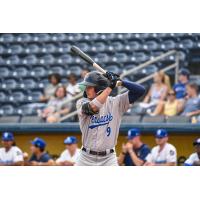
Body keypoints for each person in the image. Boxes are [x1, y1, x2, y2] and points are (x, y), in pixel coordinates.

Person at [76, 71, 145, 166]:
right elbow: (93, 107)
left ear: (98, 88)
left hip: (108, 159)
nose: (86, 89)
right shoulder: (81, 102)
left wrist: (121, 82)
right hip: (85, 158)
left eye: (90, 87)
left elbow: (140, 90)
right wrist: (110, 87)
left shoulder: (116, 102)